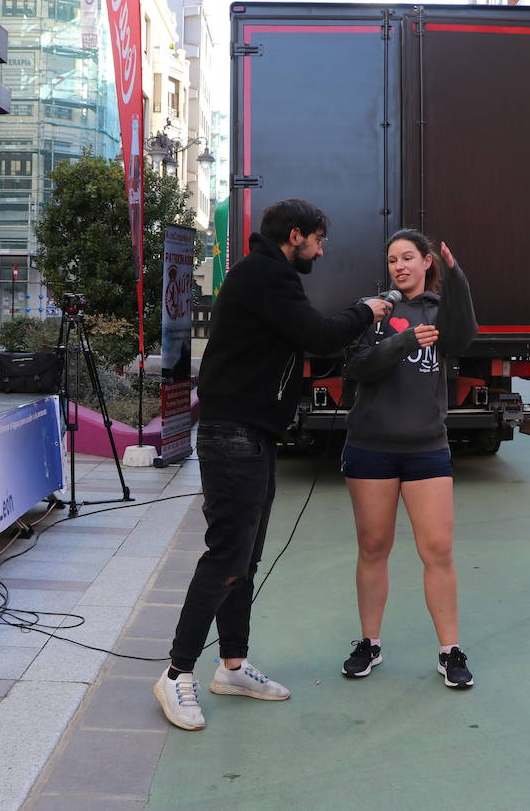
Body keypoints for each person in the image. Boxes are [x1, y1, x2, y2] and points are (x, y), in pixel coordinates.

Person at [154, 198, 393, 731]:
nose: (322, 249)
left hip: (251, 433)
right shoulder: (267, 274)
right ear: (295, 234)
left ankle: (232, 666)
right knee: (226, 558)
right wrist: (367, 311)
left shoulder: (266, 274)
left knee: (244, 559)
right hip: (232, 434)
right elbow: (321, 334)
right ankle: (176, 675)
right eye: (318, 239)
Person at [339, 229, 479, 688]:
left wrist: (456, 276)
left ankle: (450, 650)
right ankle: (369, 643)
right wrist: (403, 342)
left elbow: (462, 339)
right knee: (373, 548)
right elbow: (357, 368)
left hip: (426, 449)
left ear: (425, 263)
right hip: (370, 447)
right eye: (392, 260)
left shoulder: (440, 311)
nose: (399, 267)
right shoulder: (375, 310)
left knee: (437, 550)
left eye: (408, 258)